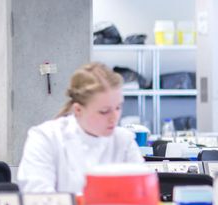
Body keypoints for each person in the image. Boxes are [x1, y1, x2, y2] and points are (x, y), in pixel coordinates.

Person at [17, 62, 144, 194]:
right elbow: (39, 198)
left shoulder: (124, 141)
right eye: (104, 111)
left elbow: (141, 192)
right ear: (78, 110)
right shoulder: (46, 138)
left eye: (118, 107)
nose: (114, 117)